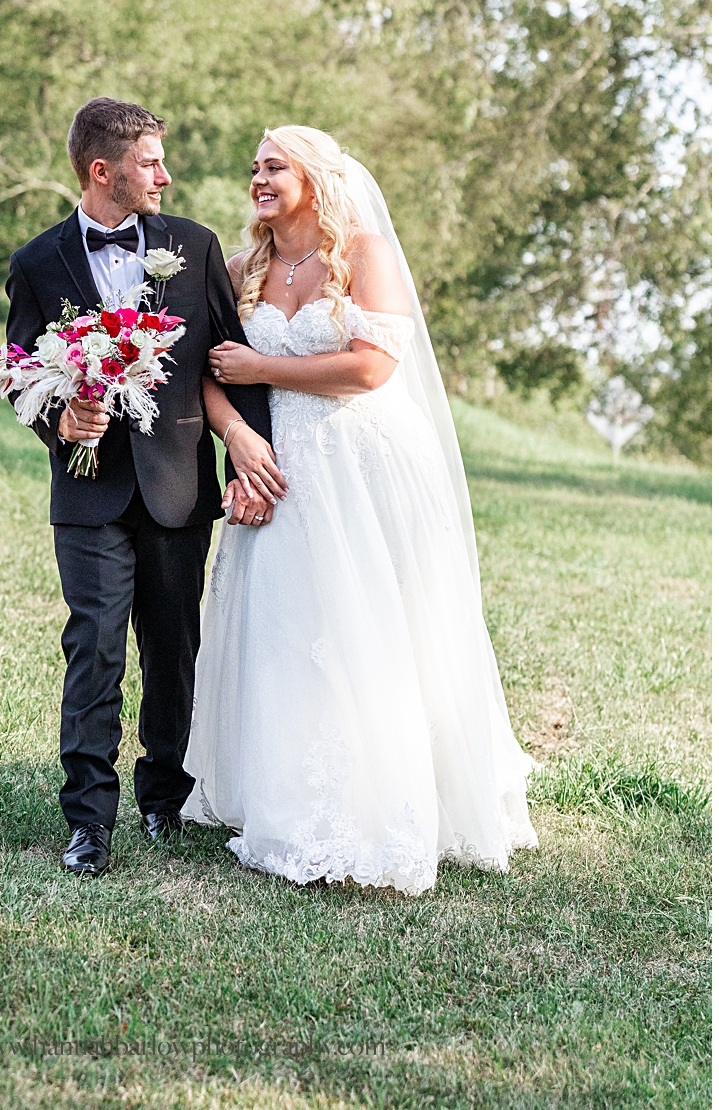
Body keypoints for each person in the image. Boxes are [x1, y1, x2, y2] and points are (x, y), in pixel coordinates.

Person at [183, 125, 539, 894]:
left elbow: (372, 367)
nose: (258, 178)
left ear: (314, 176)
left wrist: (263, 365)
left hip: (362, 466)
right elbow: (206, 373)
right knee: (286, 628)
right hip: (279, 467)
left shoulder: (366, 256)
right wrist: (239, 439)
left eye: (274, 166)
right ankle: (287, 796)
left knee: (371, 627)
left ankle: (391, 797)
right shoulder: (245, 266)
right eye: (254, 168)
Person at [3, 97, 274, 878]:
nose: (165, 174)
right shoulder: (37, 262)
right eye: (150, 161)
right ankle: (89, 819)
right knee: (93, 648)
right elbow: (24, 373)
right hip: (88, 496)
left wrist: (239, 471)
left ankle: (163, 793)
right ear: (103, 170)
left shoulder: (194, 246)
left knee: (173, 646)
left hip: (177, 486)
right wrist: (62, 418)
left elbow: (228, 360)